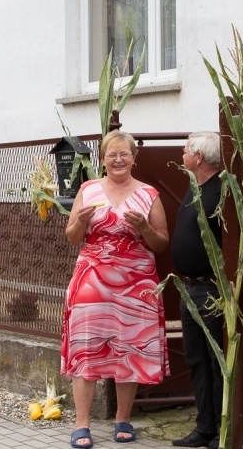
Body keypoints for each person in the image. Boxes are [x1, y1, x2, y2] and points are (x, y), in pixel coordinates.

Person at [61, 129, 170, 449]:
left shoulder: (148, 194)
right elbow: (72, 237)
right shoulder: (88, 189)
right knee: (86, 348)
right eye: (112, 154)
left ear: (134, 159)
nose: (119, 159)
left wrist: (143, 227)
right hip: (92, 283)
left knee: (130, 349)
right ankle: (82, 424)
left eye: (125, 154)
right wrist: (80, 221)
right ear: (103, 159)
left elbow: (161, 243)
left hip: (136, 287)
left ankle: (123, 419)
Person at [171, 132, 224, 449]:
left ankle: (221, 430)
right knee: (196, 360)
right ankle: (204, 427)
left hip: (211, 289)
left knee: (216, 361)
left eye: (185, 149)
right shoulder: (196, 188)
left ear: (199, 156)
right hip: (189, 290)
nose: (181, 153)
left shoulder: (220, 191)